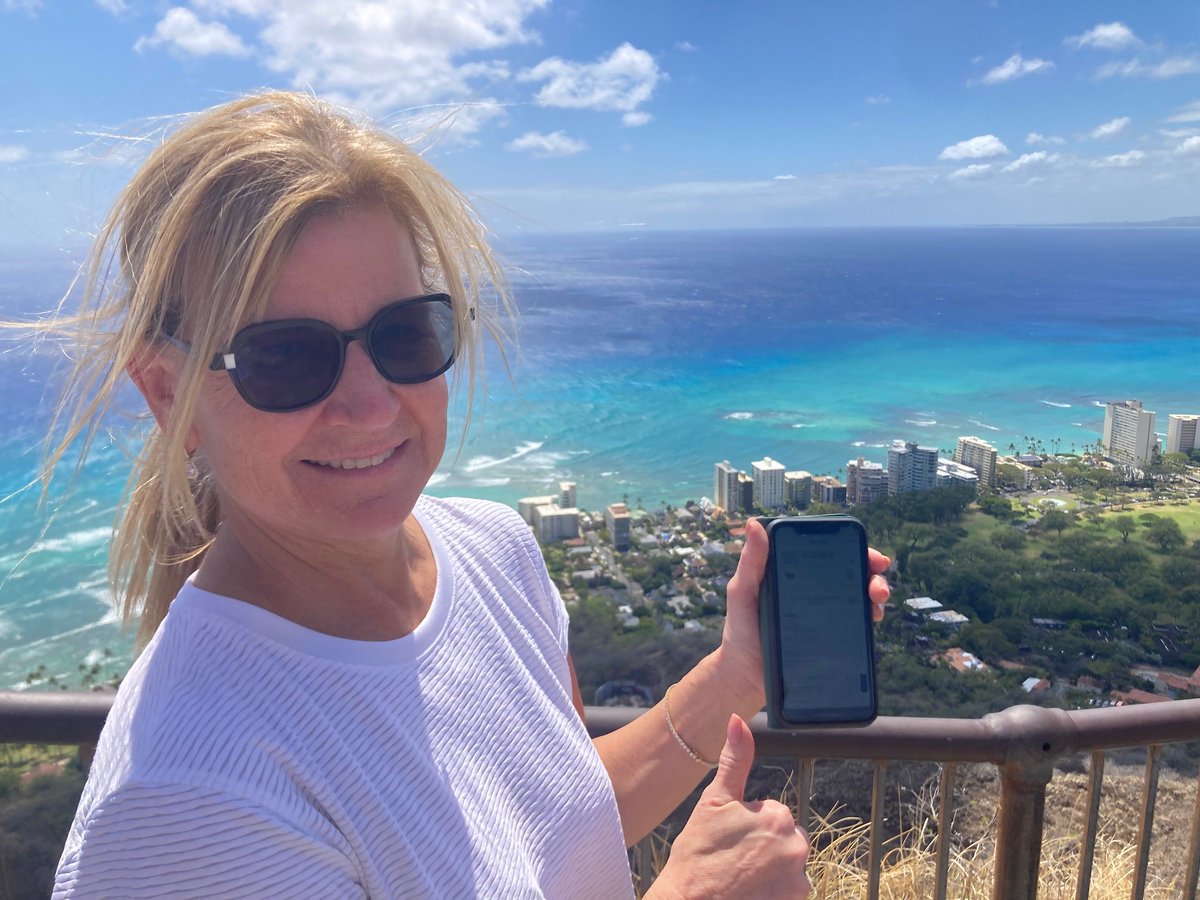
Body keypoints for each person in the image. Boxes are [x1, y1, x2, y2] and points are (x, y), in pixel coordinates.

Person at [40, 91, 890, 898]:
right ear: (165, 395)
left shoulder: (495, 550)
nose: (371, 405)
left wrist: (737, 675)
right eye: (286, 357)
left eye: (404, 333)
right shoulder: (188, 799)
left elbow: (549, 833)